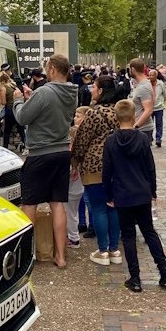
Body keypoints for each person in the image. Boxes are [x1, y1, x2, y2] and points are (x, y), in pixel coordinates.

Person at [102, 99, 166, 293]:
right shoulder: (142, 139)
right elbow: (150, 167)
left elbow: (106, 171)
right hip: (141, 192)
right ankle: (164, 270)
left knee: (128, 235)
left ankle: (135, 278)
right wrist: (153, 191)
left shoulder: (110, 141)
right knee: (149, 231)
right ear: (134, 116)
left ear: (116, 118)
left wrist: (108, 194)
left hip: (122, 193)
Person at [13, 54, 78, 268]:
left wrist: (18, 101)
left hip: (40, 152)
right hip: (61, 152)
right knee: (58, 203)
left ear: (51, 69)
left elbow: (23, 118)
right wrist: (33, 98)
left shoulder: (44, 92)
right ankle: (60, 256)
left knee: (29, 203)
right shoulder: (71, 93)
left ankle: (27, 256)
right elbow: (51, 110)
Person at [70, 75, 121, 266]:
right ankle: (115, 249)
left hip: (95, 165)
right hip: (117, 167)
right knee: (113, 208)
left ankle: (103, 250)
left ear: (100, 91)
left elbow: (82, 139)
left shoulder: (93, 113)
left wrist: (75, 160)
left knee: (99, 208)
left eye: (94, 87)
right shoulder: (118, 111)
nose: (91, 89)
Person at [65, 106, 90, 248]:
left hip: (73, 186)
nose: (75, 118)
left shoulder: (77, 136)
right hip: (77, 186)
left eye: (78, 116)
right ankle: (72, 236)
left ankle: (73, 237)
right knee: (72, 211)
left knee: (69, 212)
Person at [128, 58, 155, 143]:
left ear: (132, 69)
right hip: (141, 129)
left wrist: (136, 126)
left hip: (143, 129)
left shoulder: (143, 87)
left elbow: (148, 110)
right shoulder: (142, 84)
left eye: (129, 69)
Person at [0, 70, 24, 150]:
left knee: (7, 130)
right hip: (18, 107)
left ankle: (5, 148)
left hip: (9, 109)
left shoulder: (3, 88)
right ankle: (26, 145)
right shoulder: (13, 85)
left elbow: (4, 102)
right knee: (20, 129)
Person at [148, 68, 166, 148]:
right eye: (150, 75)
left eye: (152, 75)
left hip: (158, 107)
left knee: (159, 124)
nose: (151, 77)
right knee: (149, 124)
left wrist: (161, 102)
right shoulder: (147, 84)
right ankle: (150, 139)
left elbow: (164, 95)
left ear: (156, 76)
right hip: (149, 107)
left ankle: (158, 139)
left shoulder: (160, 84)